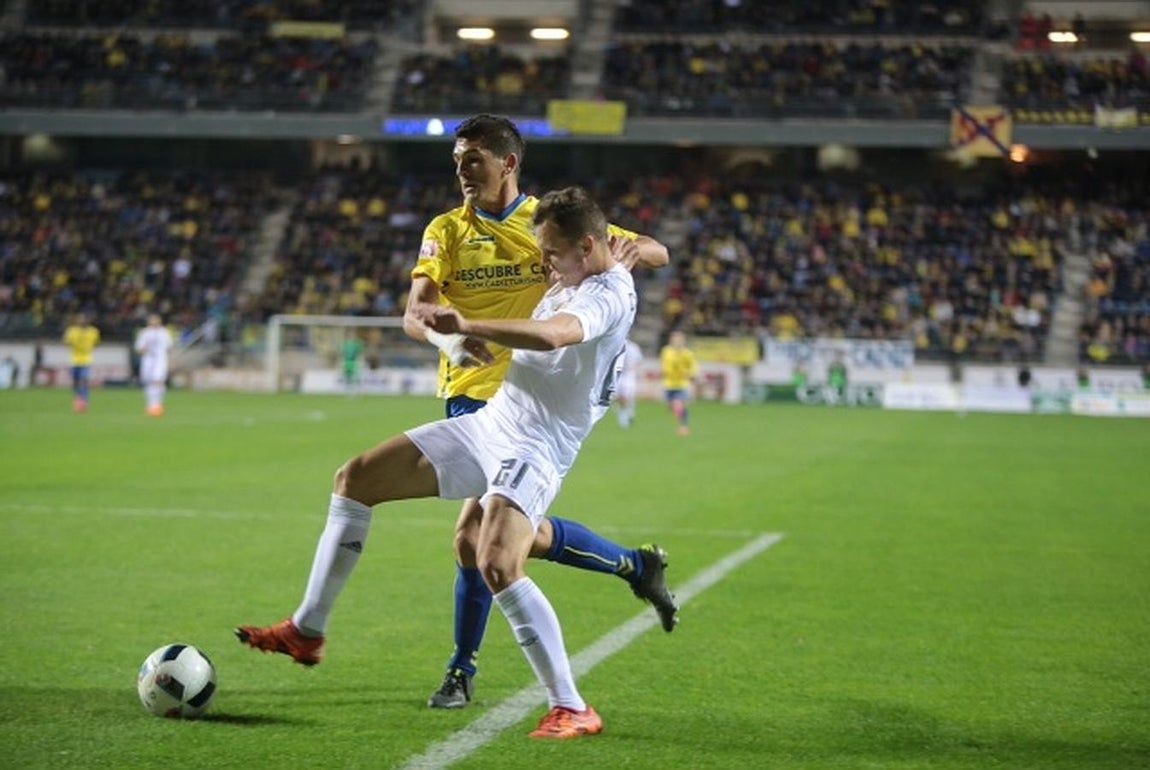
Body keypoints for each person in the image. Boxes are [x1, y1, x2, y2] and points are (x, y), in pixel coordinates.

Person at [238, 187, 643, 739]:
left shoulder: (607, 295)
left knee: (497, 562)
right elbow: (625, 258)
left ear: (588, 246)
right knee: (355, 479)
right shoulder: (581, 270)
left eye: (550, 253)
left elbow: (553, 336)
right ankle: (307, 630)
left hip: (536, 445)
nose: (543, 264)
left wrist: (468, 325)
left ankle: (571, 705)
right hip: (491, 423)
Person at [402, 114, 677, 709]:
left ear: (508, 163)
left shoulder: (549, 222)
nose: (461, 170)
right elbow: (414, 313)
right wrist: (452, 338)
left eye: (472, 158)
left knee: (478, 542)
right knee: (500, 540)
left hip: (528, 397)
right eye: (457, 160)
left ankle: (462, 668)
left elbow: (655, 250)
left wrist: (635, 249)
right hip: (468, 389)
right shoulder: (449, 229)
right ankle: (633, 565)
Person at [135, 313, 174, 416]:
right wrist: (146, 350)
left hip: (161, 360)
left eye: (156, 319)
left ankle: (157, 404)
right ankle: (151, 404)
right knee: (149, 382)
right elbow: (139, 348)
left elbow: (169, 347)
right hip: (148, 360)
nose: (154, 322)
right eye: (152, 320)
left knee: (158, 380)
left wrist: (168, 359)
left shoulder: (165, 333)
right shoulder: (145, 333)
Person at [660, 330, 698, 436]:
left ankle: (684, 426)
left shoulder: (687, 354)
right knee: (670, 406)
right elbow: (664, 365)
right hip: (669, 383)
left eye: (679, 340)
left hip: (682, 384)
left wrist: (690, 374)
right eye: (674, 339)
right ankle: (679, 415)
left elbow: (693, 367)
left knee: (679, 404)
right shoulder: (666, 351)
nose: (677, 342)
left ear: (683, 341)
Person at [63, 313, 100, 413]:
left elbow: (96, 343)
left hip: (87, 360)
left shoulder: (94, 331)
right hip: (74, 360)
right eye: (80, 319)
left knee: (84, 380)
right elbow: (67, 342)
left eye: (84, 320)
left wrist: (88, 349)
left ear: (88, 321)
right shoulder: (72, 331)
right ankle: (78, 398)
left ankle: (84, 402)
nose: (82, 321)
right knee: (75, 382)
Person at [614, 337, 643, 428]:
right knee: (618, 397)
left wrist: (634, 370)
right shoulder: (616, 346)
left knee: (627, 396)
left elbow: (639, 361)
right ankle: (623, 415)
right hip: (618, 374)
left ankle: (629, 414)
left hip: (629, 374)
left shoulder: (633, 347)